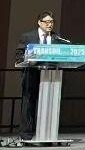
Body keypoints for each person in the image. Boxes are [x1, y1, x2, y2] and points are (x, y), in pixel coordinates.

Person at [15, 11, 69, 140]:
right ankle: (26, 135)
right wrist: (28, 58)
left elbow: (60, 55)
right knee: (29, 104)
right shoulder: (28, 37)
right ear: (39, 22)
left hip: (51, 75)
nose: (50, 25)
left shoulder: (57, 38)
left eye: (52, 22)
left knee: (48, 103)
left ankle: (47, 133)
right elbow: (18, 55)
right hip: (31, 74)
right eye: (47, 22)